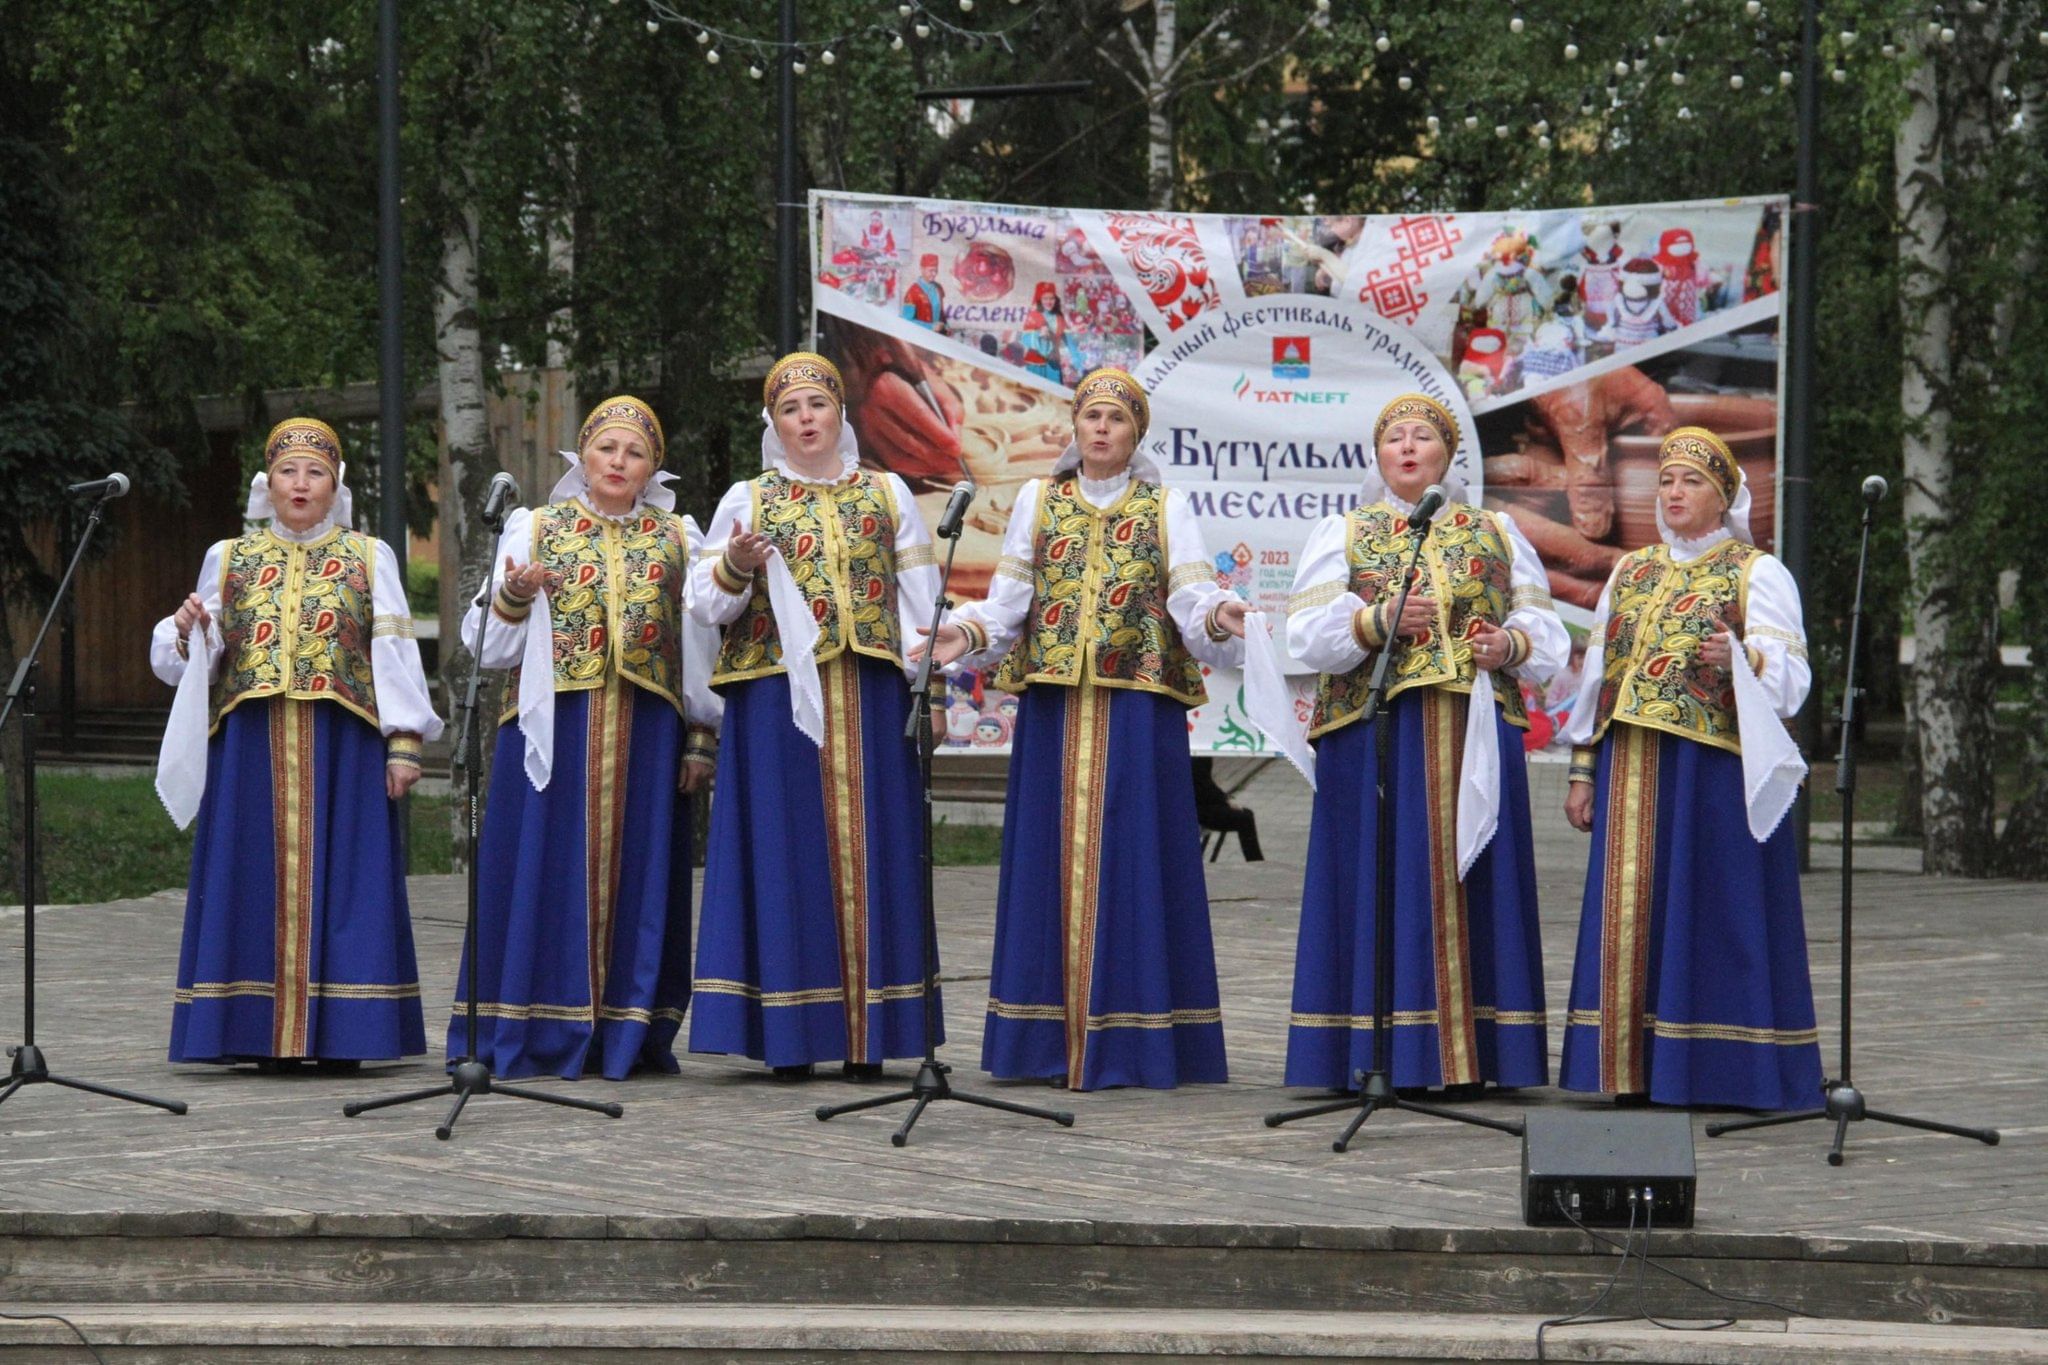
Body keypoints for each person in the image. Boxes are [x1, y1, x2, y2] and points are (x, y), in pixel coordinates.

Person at [920, 367, 1247, 1091]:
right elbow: (1007, 606)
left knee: (1137, 858)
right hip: (1056, 709)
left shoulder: (1167, 505)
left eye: (1117, 419)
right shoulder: (1039, 500)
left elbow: (1192, 595)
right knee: (1048, 859)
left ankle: (1137, 1038)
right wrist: (964, 636)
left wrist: (1218, 613)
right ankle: (1042, 1039)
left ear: (1135, 436)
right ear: (1075, 427)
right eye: (1091, 416)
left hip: (1138, 711)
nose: (1101, 428)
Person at [1280, 393, 1565, 1097]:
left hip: (1473, 731)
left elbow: (1547, 633)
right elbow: (1305, 633)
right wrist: (1374, 621)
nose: (1407, 448)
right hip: (1378, 737)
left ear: (1448, 453)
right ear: (1378, 458)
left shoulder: (1496, 530)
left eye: (1422, 437)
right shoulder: (1344, 531)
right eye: (1393, 438)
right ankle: (1374, 1049)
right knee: (1379, 876)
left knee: (1476, 879)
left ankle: (1478, 1051)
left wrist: (1509, 642)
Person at [152, 418, 441, 1071]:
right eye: (289, 471)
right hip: (250, 747)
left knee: (347, 883)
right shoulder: (230, 557)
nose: (301, 483)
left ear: (334, 484)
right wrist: (185, 630)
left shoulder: (370, 556)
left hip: (343, 745)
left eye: (315, 471)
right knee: (251, 879)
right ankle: (256, 1030)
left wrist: (403, 740)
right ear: (269, 483)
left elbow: (393, 652)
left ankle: (345, 1032)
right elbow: (194, 658)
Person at [450, 396, 721, 1081]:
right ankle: (530, 1028)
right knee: (542, 869)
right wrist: (511, 593)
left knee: (639, 875)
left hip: (647, 732)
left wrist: (700, 735)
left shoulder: (678, 535)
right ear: (584, 456)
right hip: (550, 728)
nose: (619, 462)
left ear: (652, 466)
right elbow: (483, 645)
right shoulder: (533, 527)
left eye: (635, 453)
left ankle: (624, 1034)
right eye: (608, 449)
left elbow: (699, 645)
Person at [689, 351, 943, 1080]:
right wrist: (735, 562)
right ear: (775, 423)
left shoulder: (887, 492)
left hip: (870, 690)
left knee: (878, 850)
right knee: (786, 854)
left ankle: (871, 1031)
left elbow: (923, 604)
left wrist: (933, 690)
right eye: (791, 409)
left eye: (818, 406)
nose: (807, 419)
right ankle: (791, 1034)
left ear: (840, 414)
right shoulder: (748, 496)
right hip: (775, 700)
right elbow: (705, 605)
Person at [1557, 427, 1822, 1110]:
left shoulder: (1756, 571)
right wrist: (1582, 767)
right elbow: (1599, 677)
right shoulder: (1632, 570)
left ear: (1726, 495)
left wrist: (1742, 657)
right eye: (1667, 481)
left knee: (1711, 910)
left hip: (1710, 770)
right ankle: (1630, 1066)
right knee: (1630, 912)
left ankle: (1718, 1067)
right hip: (1629, 764)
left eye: (1692, 482)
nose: (1673, 493)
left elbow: (1792, 678)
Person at [901, 254, 947, 334]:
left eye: (936, 271)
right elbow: (906, 320)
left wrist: (946, 326)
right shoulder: (912, 292)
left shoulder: (938, 288)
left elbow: (941, 314)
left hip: (938, 336)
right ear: (922, 269)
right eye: (931, 270)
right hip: (921, 336)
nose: (934, 274)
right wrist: (930, 327)